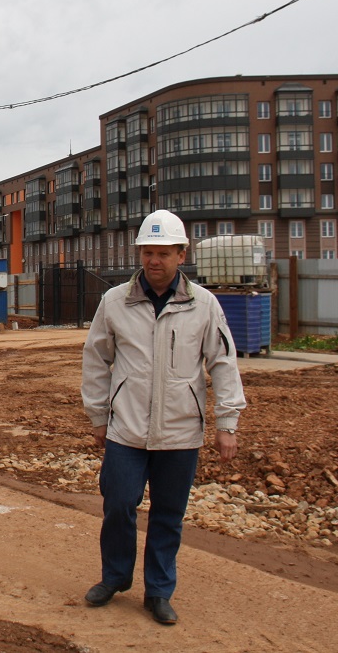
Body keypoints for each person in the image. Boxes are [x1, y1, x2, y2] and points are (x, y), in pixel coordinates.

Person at [80, 210, 246, 625]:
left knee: (168, 515)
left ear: (181, 254)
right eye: (148, 252)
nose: (154, 261)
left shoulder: (203, 305)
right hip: (126, 429)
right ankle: (116, 576)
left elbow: (223, 363)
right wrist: (98, 417)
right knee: (118, 505)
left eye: (163, 253)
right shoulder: (114, 302)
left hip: (180, 431)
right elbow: (97, 360)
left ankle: (158, 591)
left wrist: (227, 423)